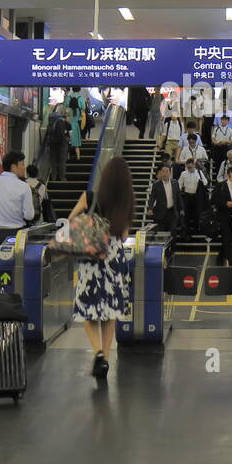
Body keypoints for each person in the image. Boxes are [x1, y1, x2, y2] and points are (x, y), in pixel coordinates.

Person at [69, 157, 135, 380]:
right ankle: (105, 359)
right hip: (115, 258)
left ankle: (97, 352)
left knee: (89, 311)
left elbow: (71, 220)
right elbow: (124, 235)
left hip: (92, 258)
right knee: (110, 313)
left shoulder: (90, 197)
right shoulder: (126, 201)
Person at [0, 149, 35, 268]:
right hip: (15, 237)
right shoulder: (24, 187)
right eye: (22, 164)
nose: (24, 167)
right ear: (13, 166)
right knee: (13, 273)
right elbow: (29, 216)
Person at [147, 162, 182, 234]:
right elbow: (152, 197)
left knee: (173, 231)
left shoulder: (175, 183)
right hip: (161, 211)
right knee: (161, 232)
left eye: (166, 171)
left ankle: (173, 245)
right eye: (163, 171)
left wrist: (181, 208)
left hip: (172, 211)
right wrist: (150, 208)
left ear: (170, 172)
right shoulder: (156, 184)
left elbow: (178, 196)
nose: (164, 173)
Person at [178, 158, 206, 236]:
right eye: (188, 167)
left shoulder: (199, 172)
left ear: (194, 165)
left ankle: (197, 229)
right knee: (187, 215)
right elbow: (179, 184)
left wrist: (201, 182)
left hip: (196, 196)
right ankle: (187, 232)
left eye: (190, 167)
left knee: (197, 213)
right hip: (187, 196)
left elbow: (206, 182)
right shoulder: (183, 173)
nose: (189, 169)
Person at [44, 107, 70, 181]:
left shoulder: (51, 119)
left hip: (52, 144)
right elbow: (61, 134)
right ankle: (62, 178)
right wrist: (66, 140)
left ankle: (53, 177)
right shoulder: (61, 121)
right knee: (62, 162)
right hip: (62, 145)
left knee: (53, 161)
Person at [65, 87, 86, 160]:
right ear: (79, 89)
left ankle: (67, 157)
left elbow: (65, 109)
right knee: (76, 143)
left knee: (68, 141)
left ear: (72, 89)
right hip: (76, 124)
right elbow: (83, 108)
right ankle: (78, 157)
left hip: (68, 124)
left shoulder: (68, 98)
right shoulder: (81, 98)